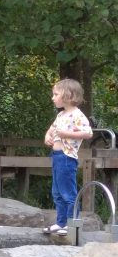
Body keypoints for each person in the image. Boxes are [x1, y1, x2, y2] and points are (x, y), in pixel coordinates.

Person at [43, 78, 92, 236]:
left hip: (66, 157)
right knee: (57, 192)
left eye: (55, 94)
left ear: (68, 95)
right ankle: (61, 222)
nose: (53, 97)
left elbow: (88, 133)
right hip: (56, 156)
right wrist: (47, 137)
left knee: (68, 193)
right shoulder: (61, 115)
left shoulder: (77, 115)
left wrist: (66, 134)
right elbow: (51, 129)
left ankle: (72, 223)